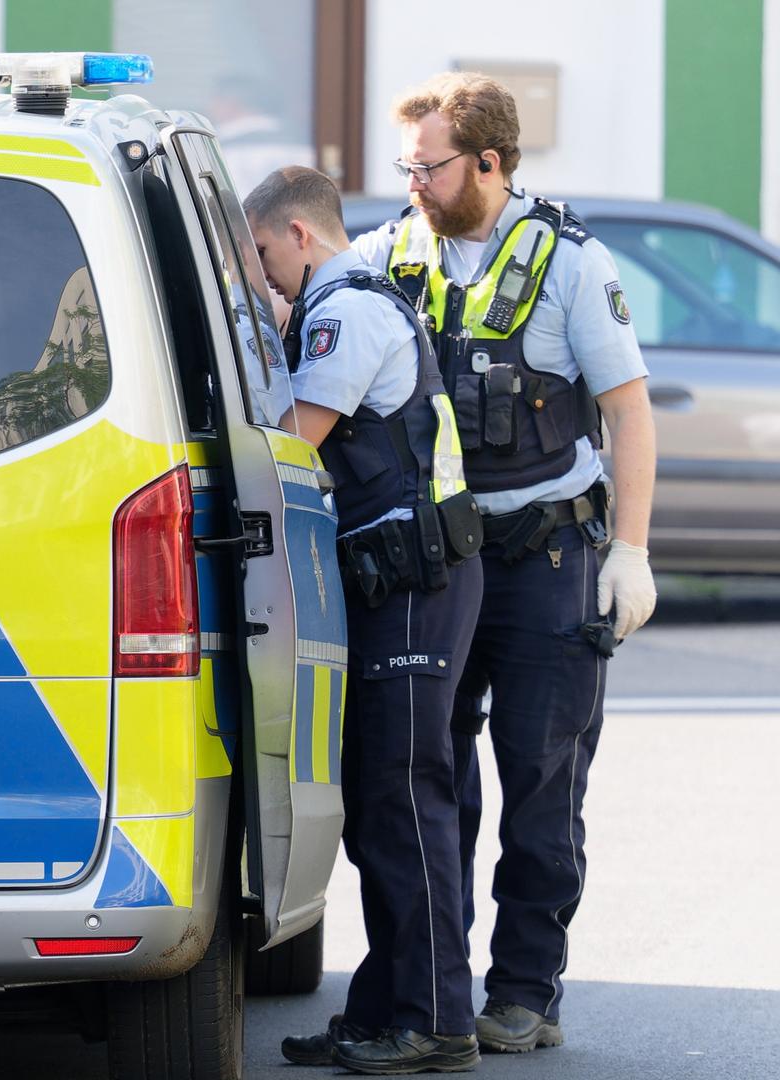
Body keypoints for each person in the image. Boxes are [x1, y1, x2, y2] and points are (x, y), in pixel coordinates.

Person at [350, 72, 657, 1054]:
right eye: (406, 165)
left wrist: (636, 554)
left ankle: (525, 989)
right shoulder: (385, 253)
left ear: (489, 161)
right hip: (433, 562)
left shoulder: (568, 262)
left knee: (539, 781)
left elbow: (629, 410)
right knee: (422, 778)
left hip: (545, 556)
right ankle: (427, 989)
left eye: (429, 166)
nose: (414, 184)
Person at [247, 165, 487, 1074]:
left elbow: (290, 440)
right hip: (398, 582)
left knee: (405, 802)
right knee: (378, 807)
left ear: (299, 235)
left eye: (267, 254)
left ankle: (436, 1021)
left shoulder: (345, 307)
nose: (268, 274)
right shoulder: (346, 298)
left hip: (416, 584)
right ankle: (386, 1008)